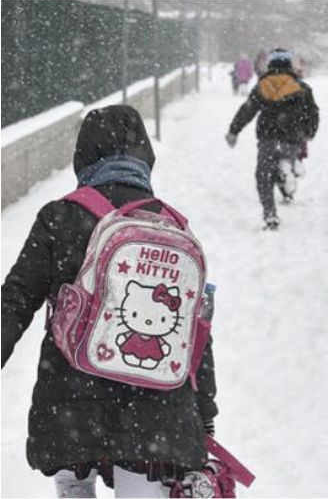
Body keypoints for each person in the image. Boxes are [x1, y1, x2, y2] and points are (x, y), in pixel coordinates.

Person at [1, 105, 218, 496]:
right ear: (144, 158)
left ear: (83, 157)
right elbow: (196, 329)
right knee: (141, 480)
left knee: (73, 477)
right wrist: (205, 412)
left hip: (71, 396)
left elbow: (15, 300)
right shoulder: (170, 226)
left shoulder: (59, 217)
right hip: (153, 407)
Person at [225, 48, 320, 230]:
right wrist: (309, 132)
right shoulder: (302, 88)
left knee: (264, 175)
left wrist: (233, 131)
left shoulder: (263, 86)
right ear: (290, 64)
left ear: (270, 63)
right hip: (292, 138)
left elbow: (247, 110)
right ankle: (288, 174)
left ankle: (270, 214)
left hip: (268, 137)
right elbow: (312, 113)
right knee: (284, 161)